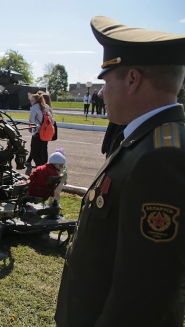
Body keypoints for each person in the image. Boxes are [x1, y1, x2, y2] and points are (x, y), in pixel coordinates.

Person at [55, 16, 185, 326]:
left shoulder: (161, 157)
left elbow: (143, 296)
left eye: (105, 80)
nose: (100, 93)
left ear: (132, 79)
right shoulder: (147, 140)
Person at [28, 93, 52, 171]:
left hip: (37, 133)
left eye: (32, 100)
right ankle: (44, 166)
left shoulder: (34, 108)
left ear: (35, 101)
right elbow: (51, 120)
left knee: (34, 152)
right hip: (45, 132)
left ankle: (40, 167)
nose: (31, 102)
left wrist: (35, 127)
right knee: (43, 150)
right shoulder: (46, 107)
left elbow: (31, 119)